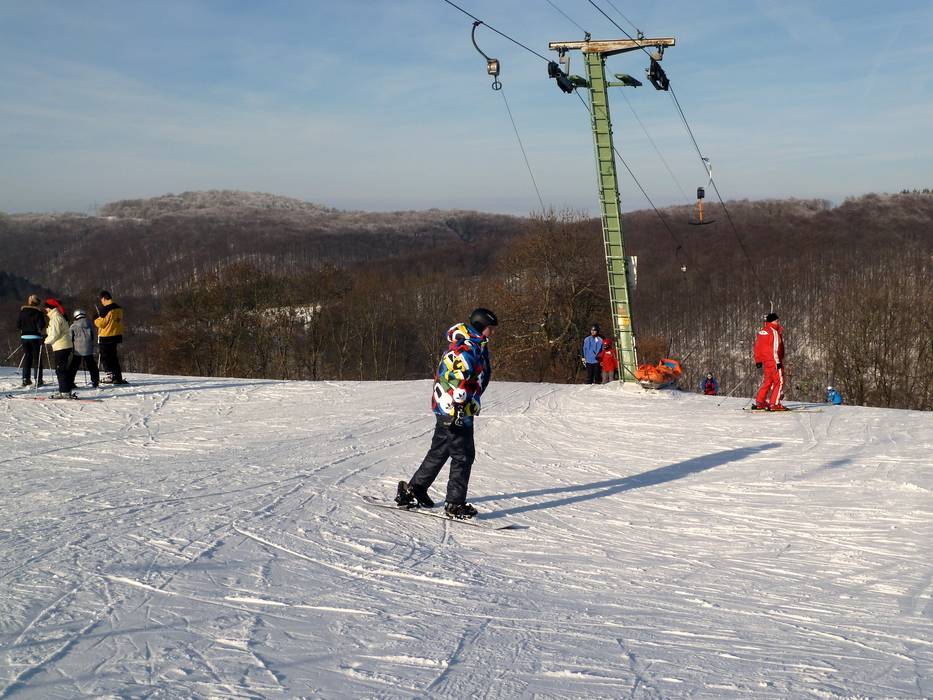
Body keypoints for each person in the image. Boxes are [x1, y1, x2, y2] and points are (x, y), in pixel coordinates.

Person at [396, 307, 498, 519]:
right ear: (481, 326)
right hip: (455, 408)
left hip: (450, 406)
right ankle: (455, 503)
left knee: (441, 449)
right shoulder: (467, 347)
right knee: (463, 455)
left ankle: (413, 490)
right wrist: (458, 405)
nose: (493, 331)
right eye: (490, 327)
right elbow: (455, 375)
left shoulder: (474, 343)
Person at [43, 298, 76, 399]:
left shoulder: (56, 317)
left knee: (60, 369)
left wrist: (45, 341)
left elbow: (55, 334)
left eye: (46, 307)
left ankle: (65, 391)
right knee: (61, 369)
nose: (45, 309)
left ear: (50, 308)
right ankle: (65, 390)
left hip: (61, 346)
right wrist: (46, 334)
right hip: (64, 345)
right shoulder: (57, 316)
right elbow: (53, 331)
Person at [753, 312, 785, 411]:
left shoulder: (763, 331)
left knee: (768, 381)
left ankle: (760, 402)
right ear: (772, 321)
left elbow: (757, 346)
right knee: (779, 381)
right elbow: (775, 348)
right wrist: (777, 362)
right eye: (776, 320)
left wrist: (758, 360)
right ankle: (774, 404)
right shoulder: (773, 332)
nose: (778, 322)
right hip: (774, 361)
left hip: (766, 362)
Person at [94, 290, 127, 384]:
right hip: (116, 335)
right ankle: (118, 376)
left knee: (106, 357)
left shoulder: (106, 309)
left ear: (104, 298)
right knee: (114, 357)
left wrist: (95, 319)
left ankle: (110, 376)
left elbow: (101, 323)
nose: (101, 302)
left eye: (101, 300)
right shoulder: (119, 308)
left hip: (106, 337)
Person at [16, 294, 46, 387]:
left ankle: (26, 379)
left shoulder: (22, 312)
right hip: (35, 337)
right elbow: (42, 325)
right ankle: (38, 379)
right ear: (37, 303)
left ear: (29, 302)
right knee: (37, 359)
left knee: (27, 358)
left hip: (24, 337)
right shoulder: (38, 312)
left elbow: (18, 325)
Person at [68, 309, 100, 389]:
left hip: (77, 350)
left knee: (73, 366)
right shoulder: (90, 324)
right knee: (92, 366)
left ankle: (70, 382)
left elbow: (70, 338)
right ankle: (95, 381)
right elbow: (93, 336)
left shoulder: (73, 326)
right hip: (88, 349)